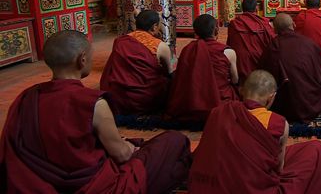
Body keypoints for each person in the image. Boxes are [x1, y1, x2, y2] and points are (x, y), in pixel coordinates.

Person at [0, 30, 191, 193]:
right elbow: (122, 155)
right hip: (93, 186)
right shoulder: (93, 103)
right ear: (82, 59)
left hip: (34, 184)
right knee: (174, 141)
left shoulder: (25, 97)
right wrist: (132, 149)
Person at [188, 70, 321, 193]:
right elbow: (279, 169)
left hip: (209, 187)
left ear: (241, 90)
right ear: (271, 97)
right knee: (316, 150)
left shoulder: (218, 112)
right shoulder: (278, 123)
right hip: (253, 189)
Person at [166, 14, 239, 122]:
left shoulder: (188, 49)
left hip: (192, 104)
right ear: (216, 30)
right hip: (220, 102)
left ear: (195, 32)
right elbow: (235, 80)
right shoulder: (228, 52)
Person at [100, 10, 174, 115]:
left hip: (119, 97)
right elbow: (168, 72)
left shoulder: (120, 41)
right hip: (145, 99)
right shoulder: (160, 46)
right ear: (154, 26)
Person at [259, 13, 321, 122]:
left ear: (274, 30)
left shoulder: (271, 47)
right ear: (294, 25)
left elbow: (263, 74)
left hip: (284, 106)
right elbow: (319, 73)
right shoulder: (310, 43)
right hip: (310, 103)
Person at [227, 0, 275, 85]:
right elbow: (273, 42)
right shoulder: (264, 23)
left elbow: (230, 44)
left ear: (242, 8)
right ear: (256, 8)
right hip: (260, 59)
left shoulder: (234, 24)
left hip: (241, 62)